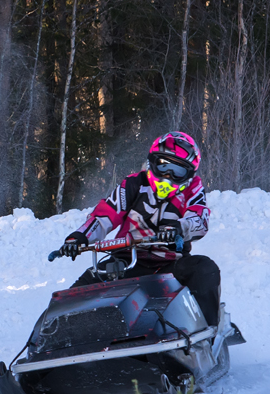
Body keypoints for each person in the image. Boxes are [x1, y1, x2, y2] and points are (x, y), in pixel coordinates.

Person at [57, 131, 221, 325]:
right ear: (152, 162)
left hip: (171, 266)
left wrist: (179, 227)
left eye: (177, 171)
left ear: (189, 175)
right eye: (163, 166)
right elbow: (105, 215)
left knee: (205, 269)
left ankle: (207, 331)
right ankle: (52, 332)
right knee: (74, 296)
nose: (168, 176)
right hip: (127, 262)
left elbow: (199, 220)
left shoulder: (193, 190)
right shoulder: (133, 184)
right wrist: (79, 237)